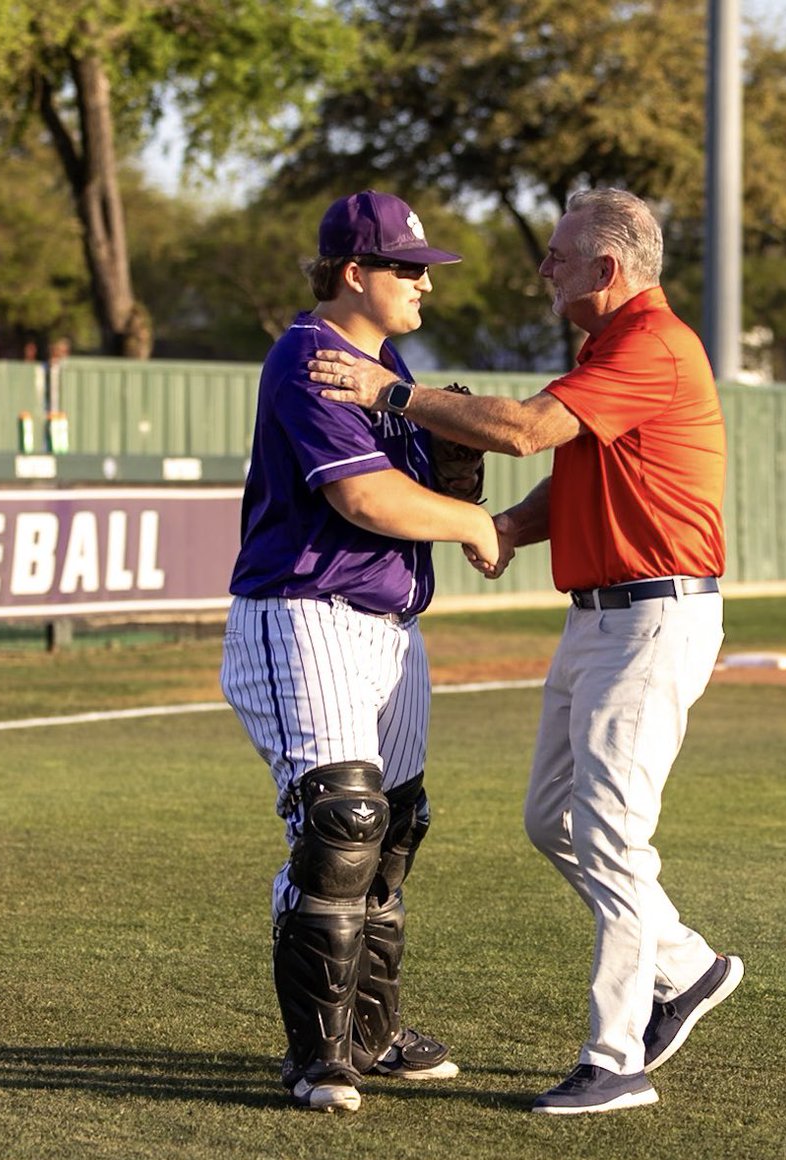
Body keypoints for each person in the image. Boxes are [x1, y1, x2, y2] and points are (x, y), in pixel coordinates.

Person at [308, 187, 744, 1117]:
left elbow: (524, 431)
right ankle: (686, 965)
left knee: (612, 834)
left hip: (653, 617)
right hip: (600, 619)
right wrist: (503, 528)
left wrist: (392, 392)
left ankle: (615, 1059)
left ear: (606, 270)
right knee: (553, 821)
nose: (543, 268)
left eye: (558, 255)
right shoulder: (608, 348)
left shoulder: (654, 345)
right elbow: (574, 476)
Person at [220, 190, 500, 1113]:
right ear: (353, 272)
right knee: (343, 821)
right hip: (305, 611)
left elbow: (416, 484)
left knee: (394, 829)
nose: (424, 283)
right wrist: (472, 521)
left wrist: (453, 468)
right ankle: (318, 1059)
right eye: (406, 267)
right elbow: (364, 501)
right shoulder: (312, 357)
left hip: (389, 626)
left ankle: (371, 1038)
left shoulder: (389, 368)